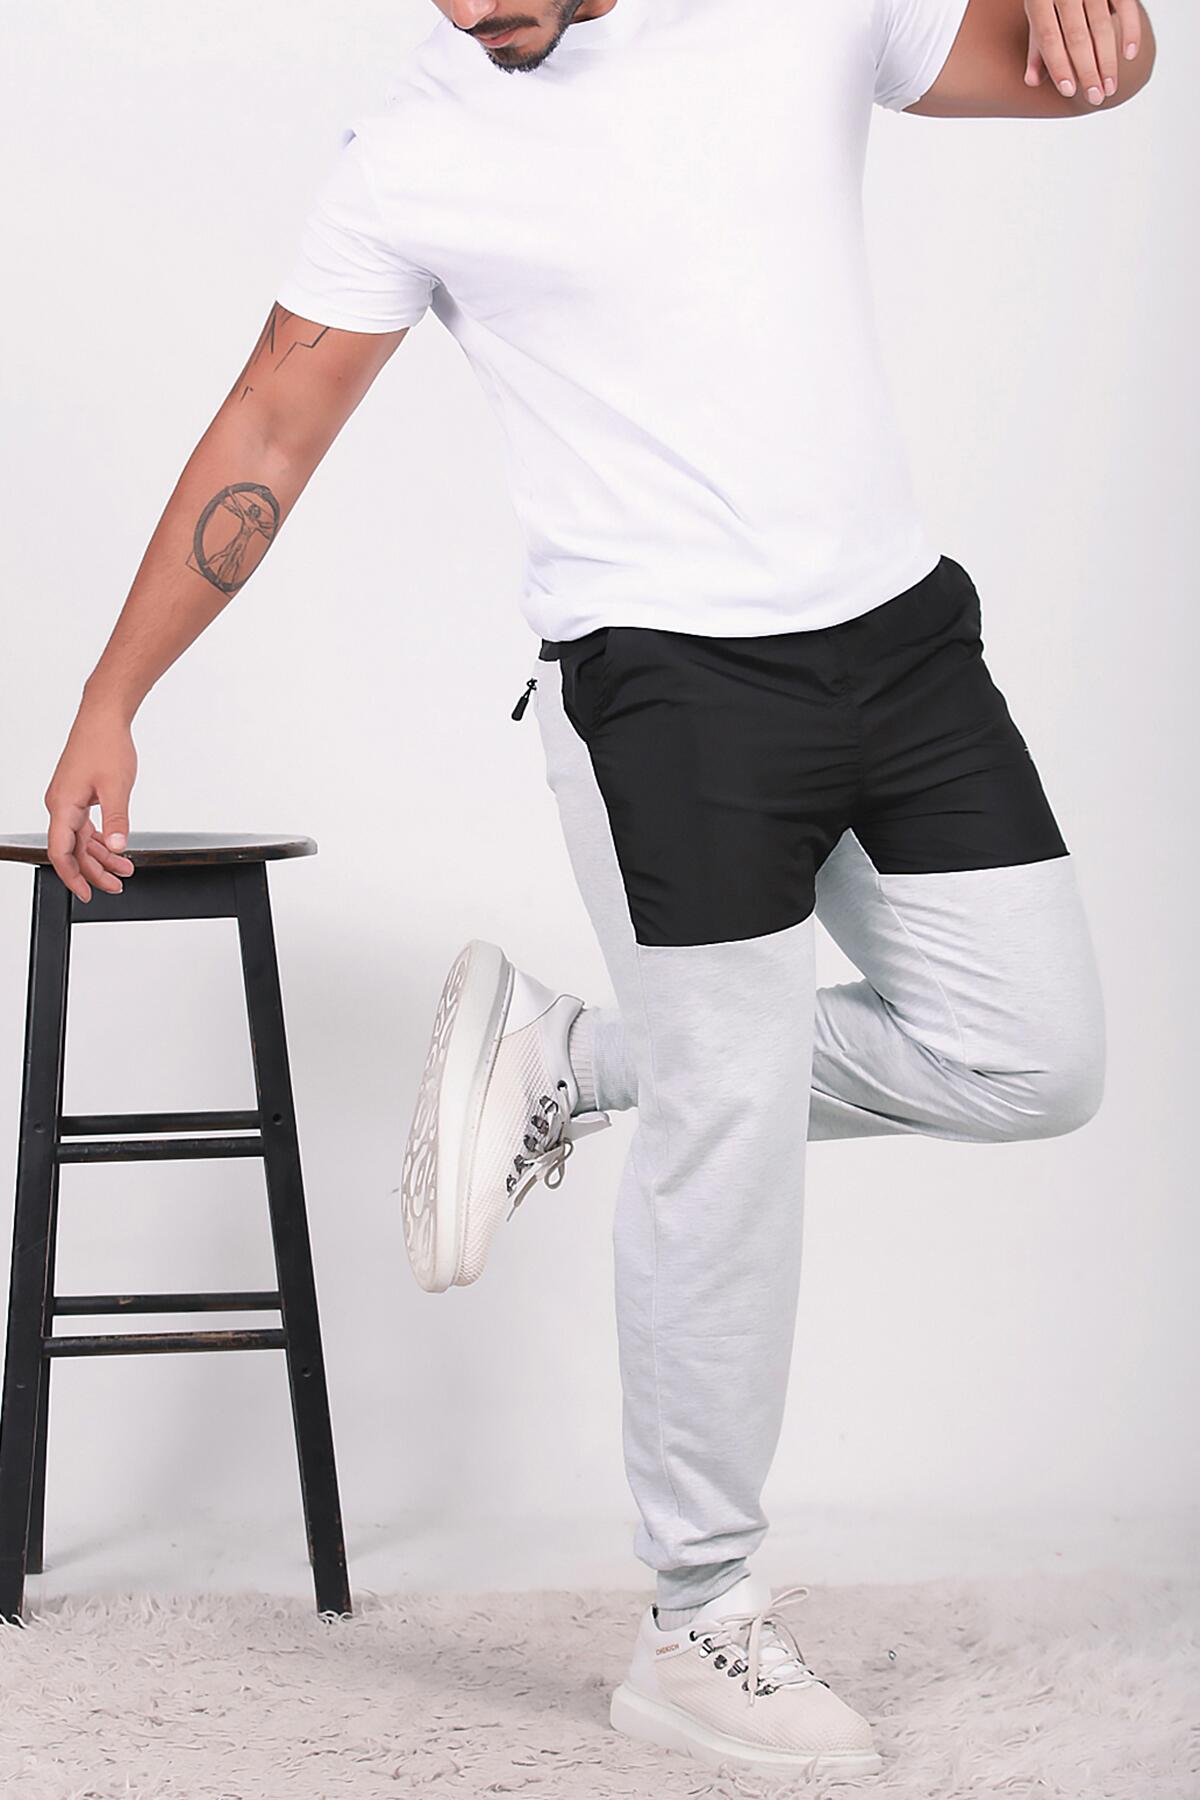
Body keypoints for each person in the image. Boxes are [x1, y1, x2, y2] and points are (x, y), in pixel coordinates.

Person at [43, 0, 1156, 1778]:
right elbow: (271, 423)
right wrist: (116, 694)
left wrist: (1103, 19)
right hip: (667, 682)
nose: (466, 7)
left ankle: (570, 1057)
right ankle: (698, 1623)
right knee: (731, 1143)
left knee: (1035, 1056)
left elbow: (1086, 73)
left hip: (899, 641)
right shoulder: (418, 146)